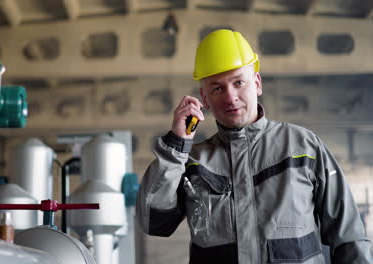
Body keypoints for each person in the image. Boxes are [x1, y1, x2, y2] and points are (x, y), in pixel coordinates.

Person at [136, 29, 372, 263]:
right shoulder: (192, 162)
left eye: (239, 82)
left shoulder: (304, 147)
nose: (230, 97)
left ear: (257, 83)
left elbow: (348, 237)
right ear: (204, 98)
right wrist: (176, 146)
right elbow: (154, 222)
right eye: (217, 88)